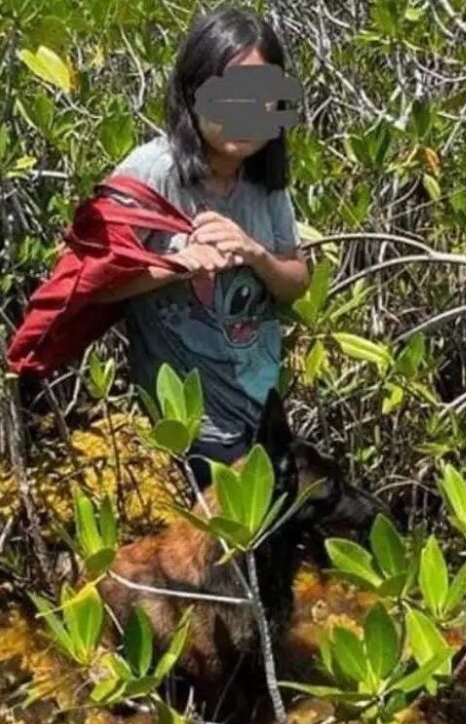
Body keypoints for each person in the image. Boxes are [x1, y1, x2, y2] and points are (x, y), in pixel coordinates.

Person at [94, 8, 310, 487]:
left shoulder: (265, 179)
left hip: (262, 406)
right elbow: (92, 284)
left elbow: (296, 282)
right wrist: (177, 265)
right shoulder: (150, 173)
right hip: (194, 425)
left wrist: (256, 254)